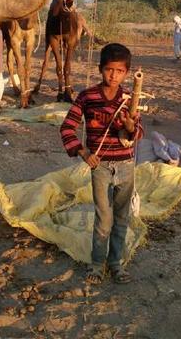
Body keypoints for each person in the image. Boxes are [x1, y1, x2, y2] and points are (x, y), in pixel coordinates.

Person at [59, 43, 143, 284]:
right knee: (103, 218)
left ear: (127, 73)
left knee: (122, 218)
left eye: (119, 71)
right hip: (100, 167)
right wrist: (84, 153)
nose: (113, 75)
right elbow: (67, 128)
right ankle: (97, 265)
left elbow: (137, 133)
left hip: (126, 165)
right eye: (108, 69)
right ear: (100, 69)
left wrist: (130, 126)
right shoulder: (87, 97)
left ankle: (116, 264)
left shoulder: (130, 99)